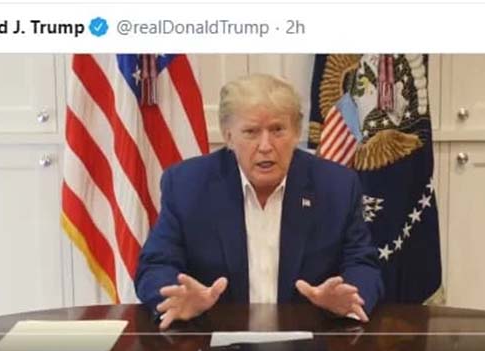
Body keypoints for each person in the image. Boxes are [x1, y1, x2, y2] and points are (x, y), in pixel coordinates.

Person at [135, 73, 383, 330]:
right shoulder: (187, 185)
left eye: (277, 130)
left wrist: (349, 298)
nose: (266, 146)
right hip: (213, 337)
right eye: (251, 132)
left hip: (311, 337)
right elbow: (156, 265)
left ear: (296, 132)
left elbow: (361, 263)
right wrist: (175, 297)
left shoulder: (336, 186)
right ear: (228, 136)